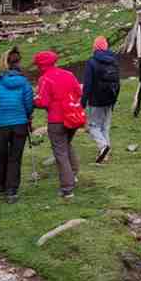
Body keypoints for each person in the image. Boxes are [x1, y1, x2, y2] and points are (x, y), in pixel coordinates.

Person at [0, 47, 34, 203]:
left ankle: (0, 188)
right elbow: (29, 105)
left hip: (0, 126)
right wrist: (27, 117)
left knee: (1, 157)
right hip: (20, 124)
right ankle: (12, 191)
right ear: (18, 63)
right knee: (15, 158)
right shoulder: (24, 83)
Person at [33, 50, 82, 199]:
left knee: (60, 152)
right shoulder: (69, 74)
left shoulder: (45, 79)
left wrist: (32, 100)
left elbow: (43, 102)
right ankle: (73, 174)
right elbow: (78, 92)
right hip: (72, 117)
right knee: (67, 145)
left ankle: (67, 188)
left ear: (41, 65)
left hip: (56, 120)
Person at [81, 36, 120, 164]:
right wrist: (114, 100)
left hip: (96, 100)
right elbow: (117, 82)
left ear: (95, 47)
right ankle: (106, 153)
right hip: (110, 98)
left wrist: (83, 102)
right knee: (105, 126)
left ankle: (103, 146)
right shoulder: (114, 60)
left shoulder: (91, 62)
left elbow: (87, 85)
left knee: (93, 126)